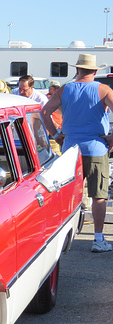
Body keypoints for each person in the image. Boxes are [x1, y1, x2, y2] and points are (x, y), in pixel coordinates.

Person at [42, 54, 113, 253]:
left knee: (67, 194)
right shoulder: (103, 89)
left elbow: (45, 111)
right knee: (98, 195)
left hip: (70, 149)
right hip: (96, 147)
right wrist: (112, 138)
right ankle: (98, 239)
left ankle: (61, 237)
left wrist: (56, 135)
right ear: (95, 71)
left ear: (77, 70)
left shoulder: (65, 89)